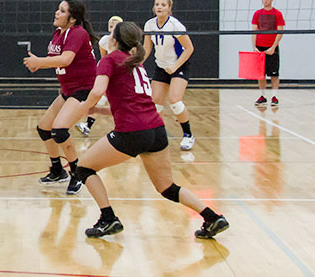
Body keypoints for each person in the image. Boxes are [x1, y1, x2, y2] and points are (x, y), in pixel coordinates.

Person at [71, 21, 228, 240]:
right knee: (167, 187)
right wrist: (97, 110)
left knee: (84, 168)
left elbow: (97, 91)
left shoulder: (109, 60)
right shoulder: (136, 64)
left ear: (114, 40)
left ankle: (108, 218)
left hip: (132, 132)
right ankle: (212, 217)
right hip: (156, 130)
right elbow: (131, 105)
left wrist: (84, 106)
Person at [24, 0, 98, 195]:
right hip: (69, 89)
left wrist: (39, 62)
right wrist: (41, 65)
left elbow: (66, 59)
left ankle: (77, 173)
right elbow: (60, 62)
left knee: (59, 130)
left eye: (62, 11)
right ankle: (57, 170)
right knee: (44, 128)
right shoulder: (59, 33)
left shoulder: (78, 33)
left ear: (72, 19)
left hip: (84, 89)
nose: (57, 13)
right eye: (58, 9)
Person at [143, 0, 196, 151]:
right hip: (161, 66)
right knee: (155, 103)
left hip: (179, 65)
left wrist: (175, 66)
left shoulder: (175, 25)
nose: (159, 7)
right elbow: (147, 48)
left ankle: (188, 135)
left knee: (175, 100)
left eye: (163, 5)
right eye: (157, 4)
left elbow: (189, 48)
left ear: (169, 8)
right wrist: (136, 64)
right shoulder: (149, 24)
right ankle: (157, 136)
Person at [78, 15, 123, 137]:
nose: (112, 28)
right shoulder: (104, 41)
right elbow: (104, 58)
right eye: (111, 25)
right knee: (100, 98)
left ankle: (123, 126)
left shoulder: (126, 42)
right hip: (109, 73)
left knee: (115, 101)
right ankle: (87, 126)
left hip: (121, 75)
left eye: (115, 26)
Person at [252, 0, 285, 107]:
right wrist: (254, 47)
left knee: (274, 74)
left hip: (272, 48)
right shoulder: (257, 13)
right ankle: (262, 96)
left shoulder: (277, 14)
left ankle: (275, 96)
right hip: (260, 47)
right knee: (260, 74)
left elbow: (280, 32)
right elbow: (254, 31)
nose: (265, 0)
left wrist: (273, 47)